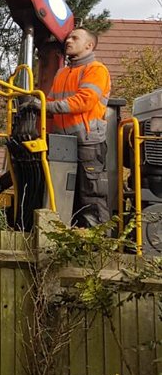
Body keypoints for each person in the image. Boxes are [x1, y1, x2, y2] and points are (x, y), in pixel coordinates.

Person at [45, 26, 112, 227]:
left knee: (91, 194)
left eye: (75, 38)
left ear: (89, 45)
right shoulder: (62, 73)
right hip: (62, 142)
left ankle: (96, 245)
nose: (68, 40)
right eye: (68, 38)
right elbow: (49, 102)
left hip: (88, 142)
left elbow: (84, 101)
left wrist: (45, 106)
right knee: (63, 193)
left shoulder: (96, 70)